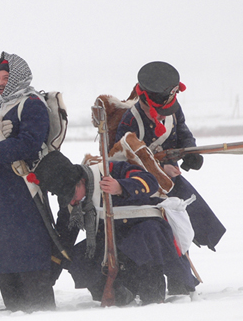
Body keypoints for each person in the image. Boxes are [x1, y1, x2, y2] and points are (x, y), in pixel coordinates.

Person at [34, 150, 199, 305]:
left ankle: (153, 298)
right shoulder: (73, 203)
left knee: (144, 238)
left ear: (81, 181)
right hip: (113, 241)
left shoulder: (109, 170)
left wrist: (121, 186)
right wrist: (47, 281)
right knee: (81, 258)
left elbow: (150, 182)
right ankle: (118, 294)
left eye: (71, 195)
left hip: (145, 233)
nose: (71, 202)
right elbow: (65, 240)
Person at [115, 61, 225, 294]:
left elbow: (183, 134)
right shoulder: (129, 120)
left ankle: (180, 282)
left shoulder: (174, 109)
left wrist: (191, 154)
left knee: (190, 219)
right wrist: (158, 170)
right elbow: (126, 159)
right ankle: (179, 280)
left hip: (170, 177)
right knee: (169, 228)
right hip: (144, 186)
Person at [0, 52, 56, 312]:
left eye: (6, 77)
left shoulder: (32, 104)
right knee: (2, 252)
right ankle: (14, 307)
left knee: (29, 251)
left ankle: (40, 308)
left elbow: (30, 145)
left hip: (22, 188)